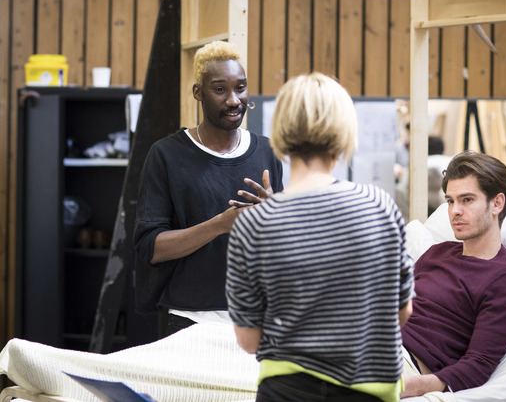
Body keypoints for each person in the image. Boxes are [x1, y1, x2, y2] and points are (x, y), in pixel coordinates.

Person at [226, 73, 414, 402]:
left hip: (287, 390)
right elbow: (402, 312)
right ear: (344, 133)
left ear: (281, 131)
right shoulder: (380, 206)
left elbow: (249, 340)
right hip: (371, 390)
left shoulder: (254, 223)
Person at [133, 41, 284, 337]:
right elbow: (150, 248)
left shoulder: (268, 151)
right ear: (198, 93)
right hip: (189, 319)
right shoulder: (166, 155)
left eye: (240, 88)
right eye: (220, 90)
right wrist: (220, 225)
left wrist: (277, 218)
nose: (233, 100)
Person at [400, 150, 506, 397]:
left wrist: (415, 386)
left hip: (404, 362)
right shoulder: (435, 253)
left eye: (467, 200)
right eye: (450, 201)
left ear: (497, 203)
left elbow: (478, 364)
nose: (454, 211)